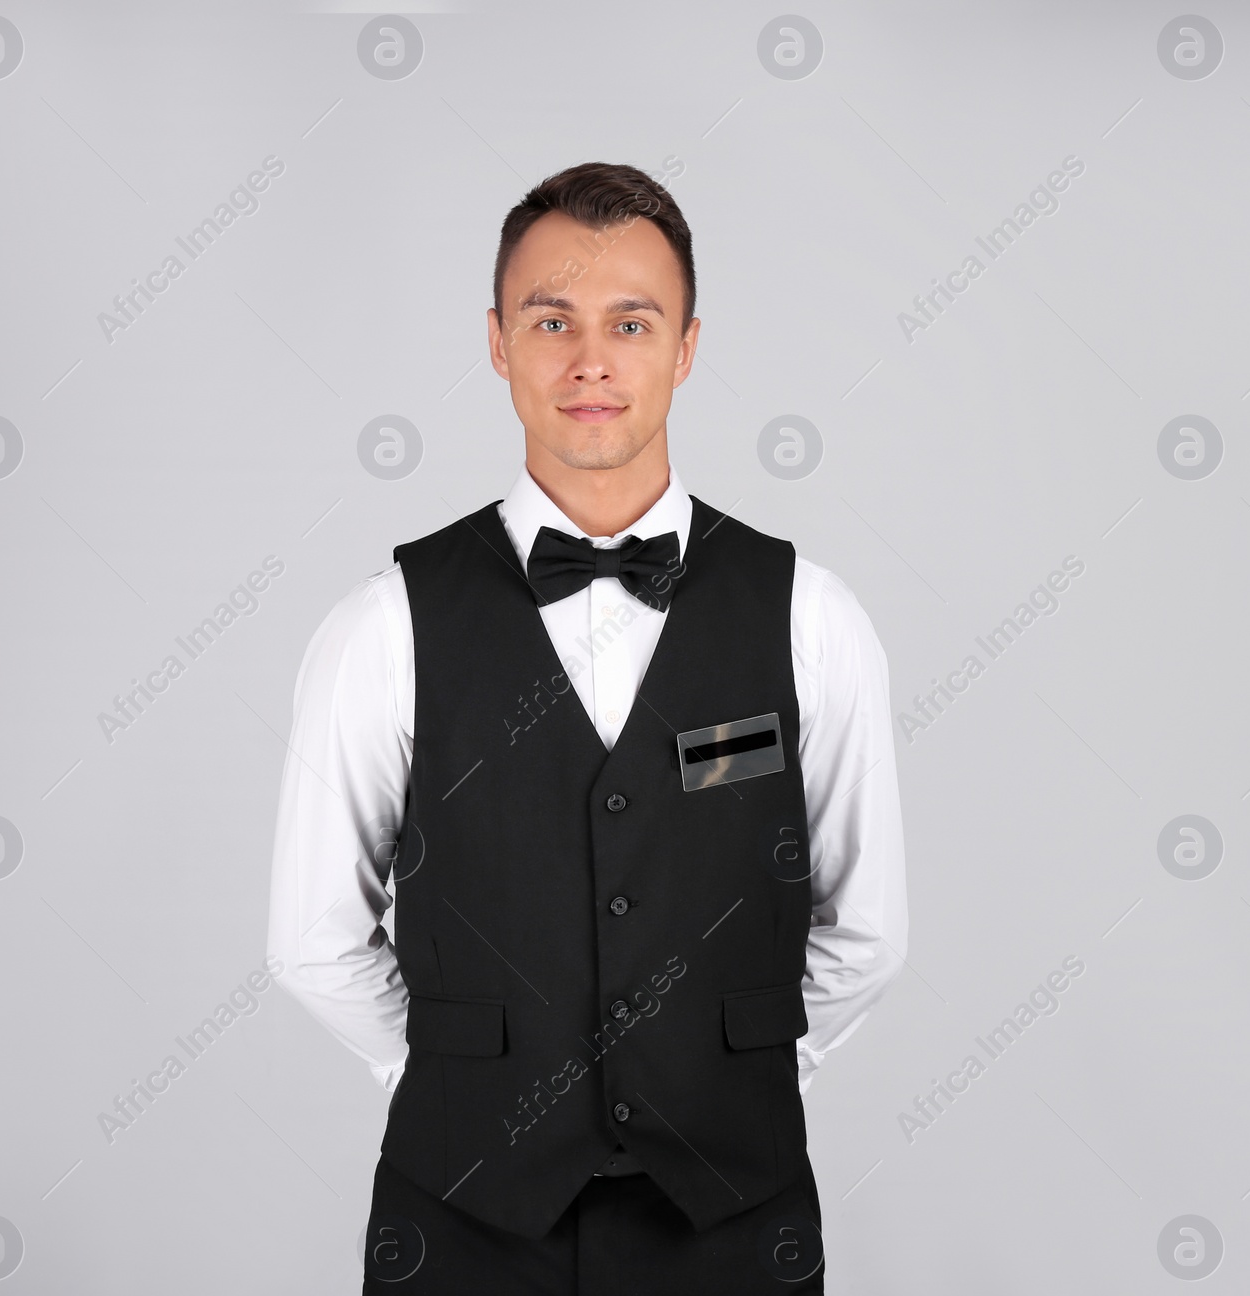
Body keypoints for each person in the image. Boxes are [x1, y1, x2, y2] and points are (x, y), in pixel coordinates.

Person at [266, 161, 908, 1293]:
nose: (591, 362)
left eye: (631, 322)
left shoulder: (811, 615)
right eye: (551, 320)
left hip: (732, 1223)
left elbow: (869, 932)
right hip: (460, 1226)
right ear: (499, 342)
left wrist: (729, 1078)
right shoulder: (382, 628)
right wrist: (455, 1087)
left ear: (688, 347)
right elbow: (312, 939)